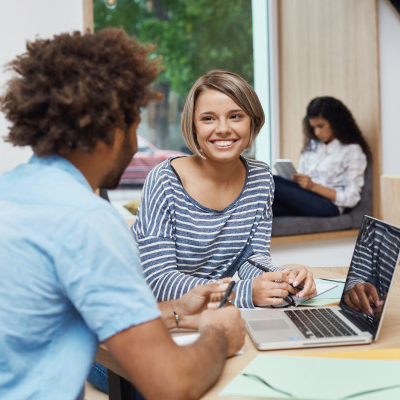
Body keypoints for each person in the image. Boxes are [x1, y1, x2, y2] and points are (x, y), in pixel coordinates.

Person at [0, 29, 245, 400]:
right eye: (135, 126)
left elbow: (46, 321)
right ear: (115, 129)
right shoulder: (87, 220)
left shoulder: (10, 192)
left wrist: (178, 310)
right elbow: (172, 384)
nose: (135, 143)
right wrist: (218, 334)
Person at [132, 69, 317, 309]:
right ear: (193, 126)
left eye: (236, 116)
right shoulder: (164, 180)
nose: (223, 129)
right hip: (156, 316)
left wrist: (285, 278)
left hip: (209, 313)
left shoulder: (260, 178)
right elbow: (159, 282)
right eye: (208, 118)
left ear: (253, 121)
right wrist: (241, 293)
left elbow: (252, 257)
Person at [272, 96, 370, 217]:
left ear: (336, 122)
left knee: (268, 178)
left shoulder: (352, 150)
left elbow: (352, 197)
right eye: (313, 127)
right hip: (304, 198)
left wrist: (313, 186)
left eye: (320, 126)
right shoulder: (312, 146)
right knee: (268, 208)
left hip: (328, 205)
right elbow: (303, 178)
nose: (316, 132)